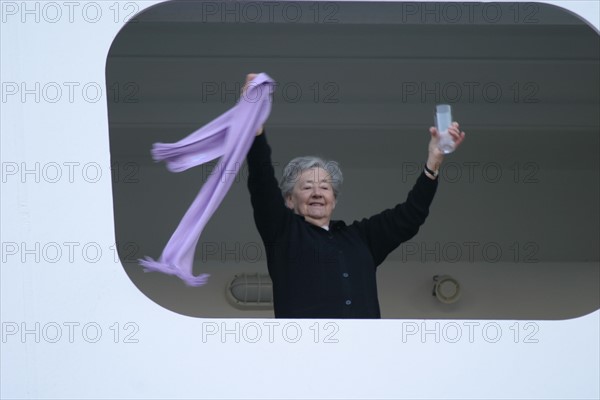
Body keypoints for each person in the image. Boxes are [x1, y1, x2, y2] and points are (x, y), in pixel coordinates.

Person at [243, 73, 466, 318]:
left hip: (364, 353)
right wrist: (254, 129)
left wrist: (433, 162)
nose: (317, 193)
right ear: (289, 200)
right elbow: (262, 182)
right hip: (306, 353)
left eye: (325, 187)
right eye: (307, 187)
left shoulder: (361, 238)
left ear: (334, 200)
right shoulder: (283, 233)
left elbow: (410, 216)